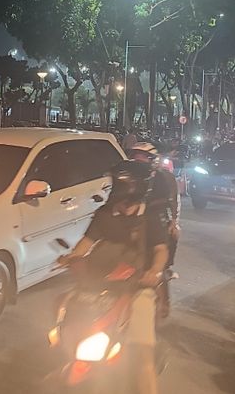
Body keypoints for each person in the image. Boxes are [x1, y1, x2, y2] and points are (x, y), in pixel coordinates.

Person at [60, 161, 169, 394]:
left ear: (135, 187)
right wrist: (72, 257)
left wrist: (154, 272)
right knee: (64, 313)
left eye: (119, 185)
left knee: (142, 355)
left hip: (136, 286)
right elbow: (87, 242)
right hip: (99, 283)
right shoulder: (105, 213)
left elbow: (161, 250)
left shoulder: (151, 216)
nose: (113, 189)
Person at [128, 142, 179, 319]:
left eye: (143, 158)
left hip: (157, 222)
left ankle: (163, 301)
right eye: (136, 157)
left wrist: (174, 222)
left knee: (159, 264)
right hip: (132, 223)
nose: (138, 161)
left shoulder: (164, 178)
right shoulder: (127, 176)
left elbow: (172, 201)